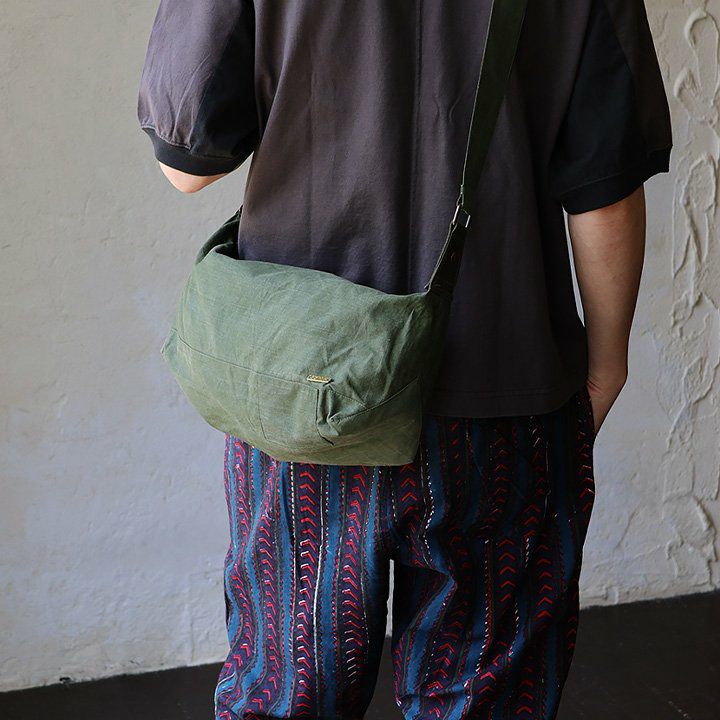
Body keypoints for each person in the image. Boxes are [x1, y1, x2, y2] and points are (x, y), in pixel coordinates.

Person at [137, 1, 672, 717]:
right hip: (503, 387)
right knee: (485, 696)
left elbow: (187, 164)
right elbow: (604, 188)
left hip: (311, 395)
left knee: (287, 693)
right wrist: (607, 360)